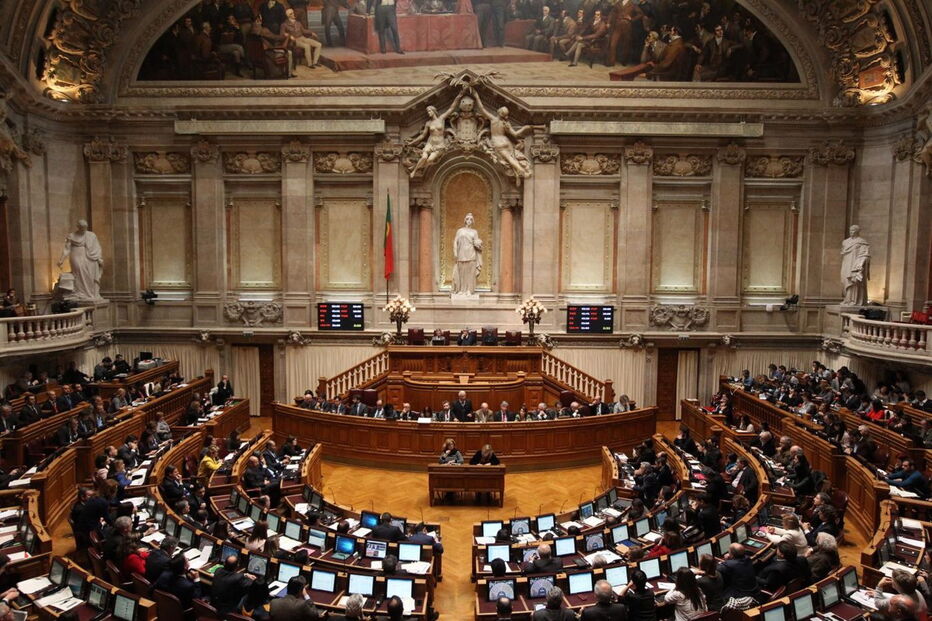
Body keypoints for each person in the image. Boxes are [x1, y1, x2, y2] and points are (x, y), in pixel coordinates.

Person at [57, 219, 104, 302]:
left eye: (85, 228)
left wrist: (98, 257)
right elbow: (67, 249)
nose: (84, 229)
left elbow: (97, 247)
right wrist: (61, 260)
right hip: (76, 255)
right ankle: (80, 292)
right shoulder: (72, 236)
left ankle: (90, 294)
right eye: (82, 228)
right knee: (79, 273)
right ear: (78, 227)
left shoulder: (91, 235)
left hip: (90, 257)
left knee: (90, 275)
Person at [453, 213, 483, 294]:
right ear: (465, 220)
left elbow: (476, 243)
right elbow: (455, 242)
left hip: (471, 253)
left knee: (470, 273)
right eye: (467, 219)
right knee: (461, 272)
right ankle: (461, 290)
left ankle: (469, 290)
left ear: (472, 221)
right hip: (461, 253)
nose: (469, 221)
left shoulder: (474, 232)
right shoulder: (460, 231)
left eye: (471, 219)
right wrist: (455, 252)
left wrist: (479, 244)